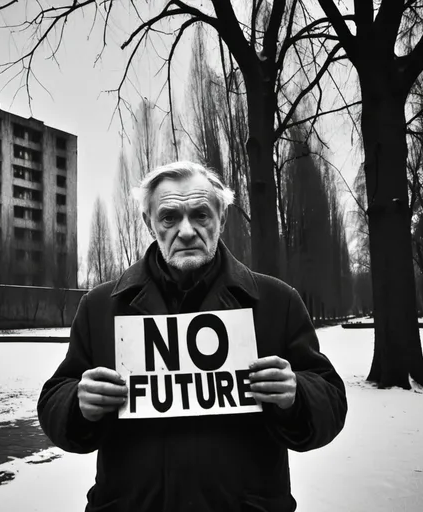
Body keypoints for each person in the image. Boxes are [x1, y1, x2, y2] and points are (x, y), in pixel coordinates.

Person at [37, 161, 347, 512]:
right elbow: (54, 398)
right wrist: (77, 404)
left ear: (222, 218)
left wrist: (298, 394)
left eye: (200, 214)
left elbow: (331, 401)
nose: (186, 230)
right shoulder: (100, 307)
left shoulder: (277, 302)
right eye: (169, 217)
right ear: (149, 224)